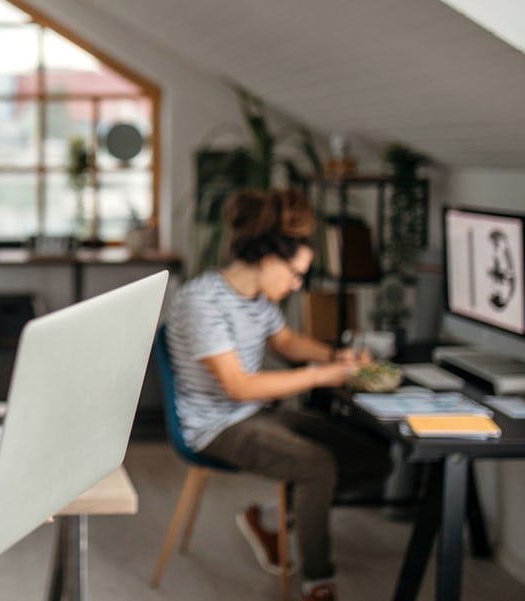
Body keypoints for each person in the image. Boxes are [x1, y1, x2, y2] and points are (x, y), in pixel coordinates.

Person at [165, 188, 392, 601]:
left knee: (374, 458)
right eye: (295, 273)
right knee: (317, 465)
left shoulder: (258, 298)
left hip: (255, 414)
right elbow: (238, 386)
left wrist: (337, 356)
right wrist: (323, 375)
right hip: (215, 427)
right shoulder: (202, 301)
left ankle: (269, 518)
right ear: (269, 259)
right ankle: (318, 583)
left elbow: (286, 342)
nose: (297, 284)